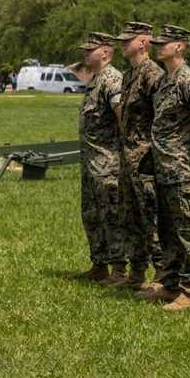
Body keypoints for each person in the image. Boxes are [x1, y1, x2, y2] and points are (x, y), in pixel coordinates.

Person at [141, 25, 190, 311]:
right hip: (163, 168)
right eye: (156, 42)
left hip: (182, 169)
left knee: (189, 230)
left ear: (180, 47)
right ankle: (170, 285)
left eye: (164, 43)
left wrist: (188, 138)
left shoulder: (188, 80)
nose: (157, 46)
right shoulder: (164, 81)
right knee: (168, 230)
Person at [107, 21, 165, 292]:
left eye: (128, 39)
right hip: (128, 160)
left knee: (151, 217)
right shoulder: (129, 75)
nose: (122, 43)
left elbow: (163, 117)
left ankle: (162, 275)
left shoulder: (152, 74)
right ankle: (137, 272)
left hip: (145, 161)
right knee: (130, 217)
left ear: (143, 42)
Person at [69, 32, 126, 283]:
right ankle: (99, 265)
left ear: (105, 52)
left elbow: (123, 117)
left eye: (90, 49)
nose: (84, 53)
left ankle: (120, 270)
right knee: (92, 216)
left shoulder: (112, 80)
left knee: (112, 217)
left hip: (108, 164)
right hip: (91, 165)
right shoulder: (96, 80)